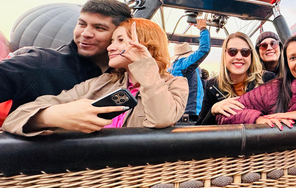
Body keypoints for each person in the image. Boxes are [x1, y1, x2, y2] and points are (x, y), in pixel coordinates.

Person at [3, 18, 188, 136]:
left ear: (146, 44)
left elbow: (161, 118)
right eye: (111, 41)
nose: (110, 47)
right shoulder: (102, 83)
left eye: (120, 40)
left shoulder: (175, 84)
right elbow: (16, 117)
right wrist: (51, 116)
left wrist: (145, 68)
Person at [0, 0, 132, 113]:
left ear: (118, 33)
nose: (86, 33)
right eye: (82, 24)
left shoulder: (126, 76)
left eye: (99, 28)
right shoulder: (40, 63)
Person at [196, 32, 275, 125]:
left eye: (245, 52)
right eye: (232, 52)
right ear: (225, 54)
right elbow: (200, 129)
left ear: (251, 56)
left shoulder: (267, 79)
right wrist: (213, 110)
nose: (239, 57)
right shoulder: (212, 86)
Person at [170, 18, 211, 121]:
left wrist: (203, 80)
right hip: (189, 114)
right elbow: (204, 49)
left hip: (183, 113)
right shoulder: (184, 64)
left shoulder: (174, 67)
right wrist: (203, 29)